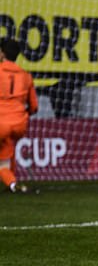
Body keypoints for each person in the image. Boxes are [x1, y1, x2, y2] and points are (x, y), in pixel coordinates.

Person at [0, 38, 38, 194]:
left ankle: (13, 183)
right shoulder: (26, 75)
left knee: (1, 162)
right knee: (7, 150)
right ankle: (12, 182)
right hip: (19, 124)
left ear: (2, 53)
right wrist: (22, 115)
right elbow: (34, 106)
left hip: (1, 122)